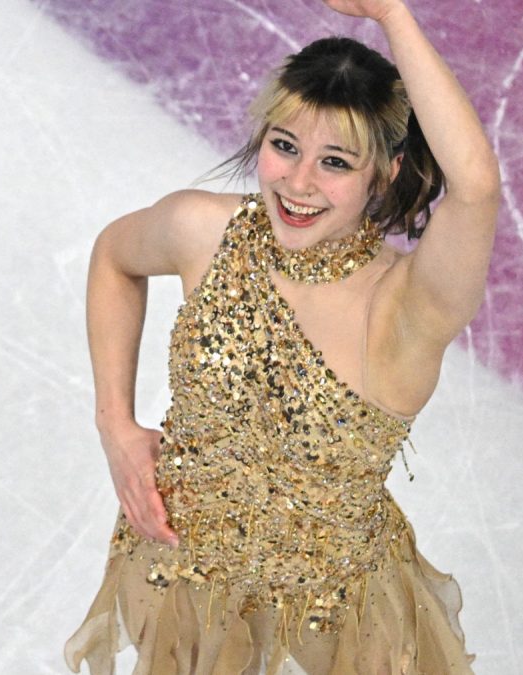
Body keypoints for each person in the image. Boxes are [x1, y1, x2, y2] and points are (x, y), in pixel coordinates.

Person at [64, 1, 500, 673]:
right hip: (186, 586)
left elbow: (474, 185)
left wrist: (390, 13)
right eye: (285, 146)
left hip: (338, 621)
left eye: (336, 162)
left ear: (383, 173)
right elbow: (114, 257)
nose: (298, 182)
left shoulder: (406, 307)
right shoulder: (205, 232)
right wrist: (115, 425)